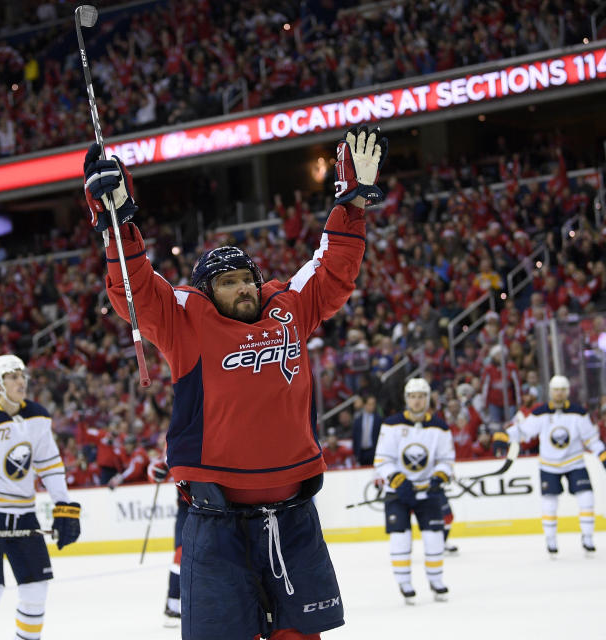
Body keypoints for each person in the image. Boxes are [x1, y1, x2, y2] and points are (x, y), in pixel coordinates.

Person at [86, 124, 387, 639]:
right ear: (208, 290)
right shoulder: (187, 322)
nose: (244, 288)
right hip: (218, 524)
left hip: (293, 520)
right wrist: (116, 223)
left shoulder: (289, 309)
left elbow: (333, 270)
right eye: (229, 282)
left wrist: (351, 204)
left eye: (248, 278)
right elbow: (134, 290)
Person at [0, 354, 82, 640]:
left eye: (22, 375)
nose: (21, 381)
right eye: (13, 377)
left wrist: (63, 505)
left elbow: (50, 464)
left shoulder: (38, 415)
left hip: (24, 514)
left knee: (36, 589)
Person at [494, 375, 606, 555]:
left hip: (574, 462)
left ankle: (587, 538)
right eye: (556, 390)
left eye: (562, 390)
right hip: (549, 465)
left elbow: (590, 438)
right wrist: (504, 436)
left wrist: (603, 455)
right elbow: (524, 431)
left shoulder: (578, 413)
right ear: (551, 392)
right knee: (549, 504)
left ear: (567, 391)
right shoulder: (541, 412)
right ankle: (551, 540)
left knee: (587, 498)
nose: (559, 393)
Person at [373, 378, 455, 603]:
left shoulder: (440, 427)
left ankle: (436, 580)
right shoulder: (391, 424)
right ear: (406, 398)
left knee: (434, 537)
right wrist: (399, 480)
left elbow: (446, 459)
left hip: (428, 492)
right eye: (412, 396)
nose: (416, 401)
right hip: (398, 492)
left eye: (420, 396)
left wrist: (439, 476)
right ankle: (404, 582)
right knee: (400, 538)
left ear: (427, 399)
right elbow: (382, 459)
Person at [146, 456, 189, 627]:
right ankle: (172, 604)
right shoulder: (178, 435)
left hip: (217, 506)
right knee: (180, 555)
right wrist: (157, 471)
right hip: (188, 508)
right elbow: (155, 469)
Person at [352, 394, 383, 466]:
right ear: (364, 405)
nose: (372, 406)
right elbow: (355, 438)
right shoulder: (358, 420)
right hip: (361, 452)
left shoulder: (379, 420)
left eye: (373, 404)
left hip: (373, 451)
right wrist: (356, 453)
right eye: (370, 404)